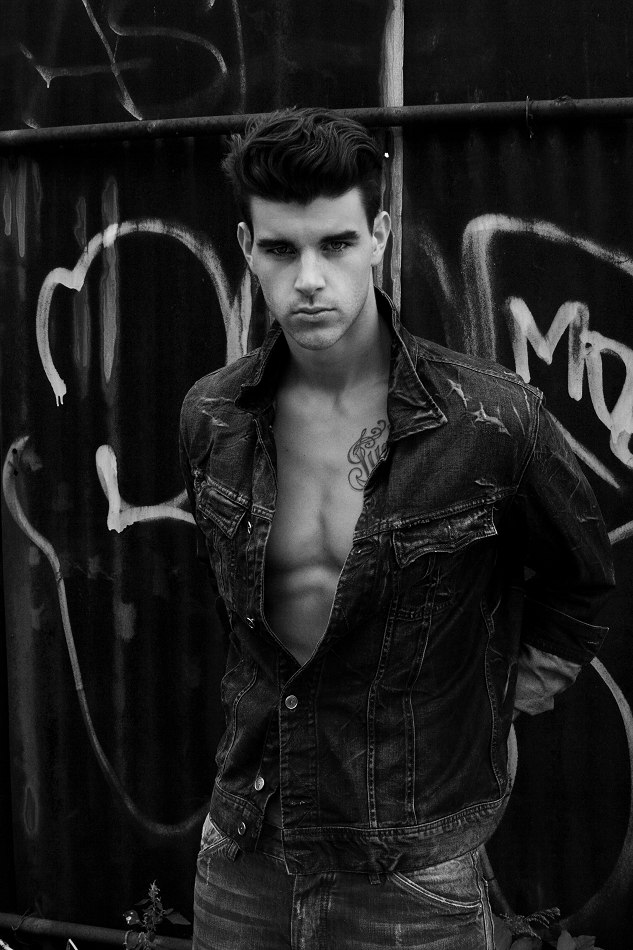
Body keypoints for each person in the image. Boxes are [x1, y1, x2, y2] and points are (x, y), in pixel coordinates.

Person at [179, 107, 614, 949]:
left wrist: (494, 708)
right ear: (246, 249)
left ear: (377, 236)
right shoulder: (213, 416)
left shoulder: (489, 422)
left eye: (336, 244)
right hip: (244, 850)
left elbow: (581, 583)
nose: (310, 278)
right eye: (281, 249)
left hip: (411, 872)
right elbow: (237, 619)